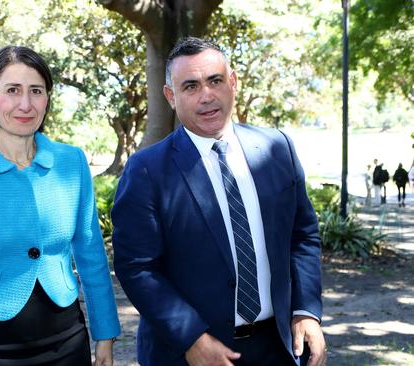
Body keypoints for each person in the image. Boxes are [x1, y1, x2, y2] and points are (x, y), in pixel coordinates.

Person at [111, 37, 326, 366]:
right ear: (171, 96)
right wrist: (190, 337)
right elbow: (137, 267)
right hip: (190, 353)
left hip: (279, 347)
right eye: (191, 86)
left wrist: (306, 310)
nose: (206, 96)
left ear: (233, 82)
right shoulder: (147, 170)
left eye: (215, 81)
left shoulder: (277, 148)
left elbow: (303, 236)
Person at [0, 45, 120, 366]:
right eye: (13, 90)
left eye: (36, 91)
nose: (26, 104)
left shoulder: (71, 162)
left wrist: (105, 333)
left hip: (68, 341)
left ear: (47, 99)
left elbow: (91, 254)